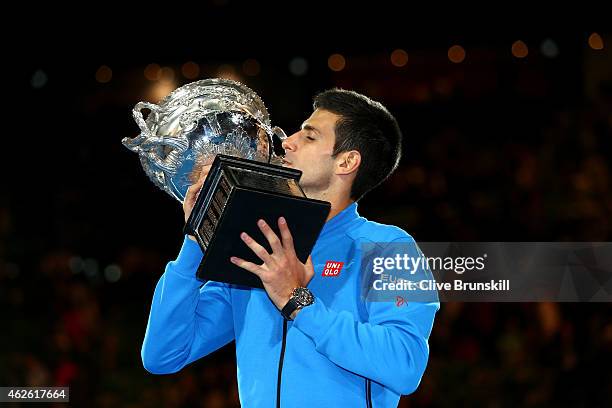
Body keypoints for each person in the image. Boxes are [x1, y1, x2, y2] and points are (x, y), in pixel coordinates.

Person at [141, 88, 439, 407]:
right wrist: (197, 240)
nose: (288, 141)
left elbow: (405, 365)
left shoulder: (389, 248)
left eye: (309, 137)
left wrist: (296, 299)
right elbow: (164, 355)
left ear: (347, 161)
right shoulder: (256, 248)